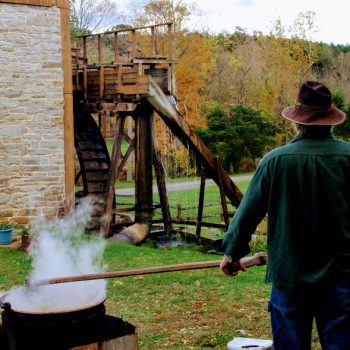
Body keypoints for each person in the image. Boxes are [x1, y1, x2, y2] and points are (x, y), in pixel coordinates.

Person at [219, 81, 350, 350]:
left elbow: (247, 214)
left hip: (289, 277)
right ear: (330, 121)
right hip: (342, 278)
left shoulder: (275, 161)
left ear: (296, 122)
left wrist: (232, 254)